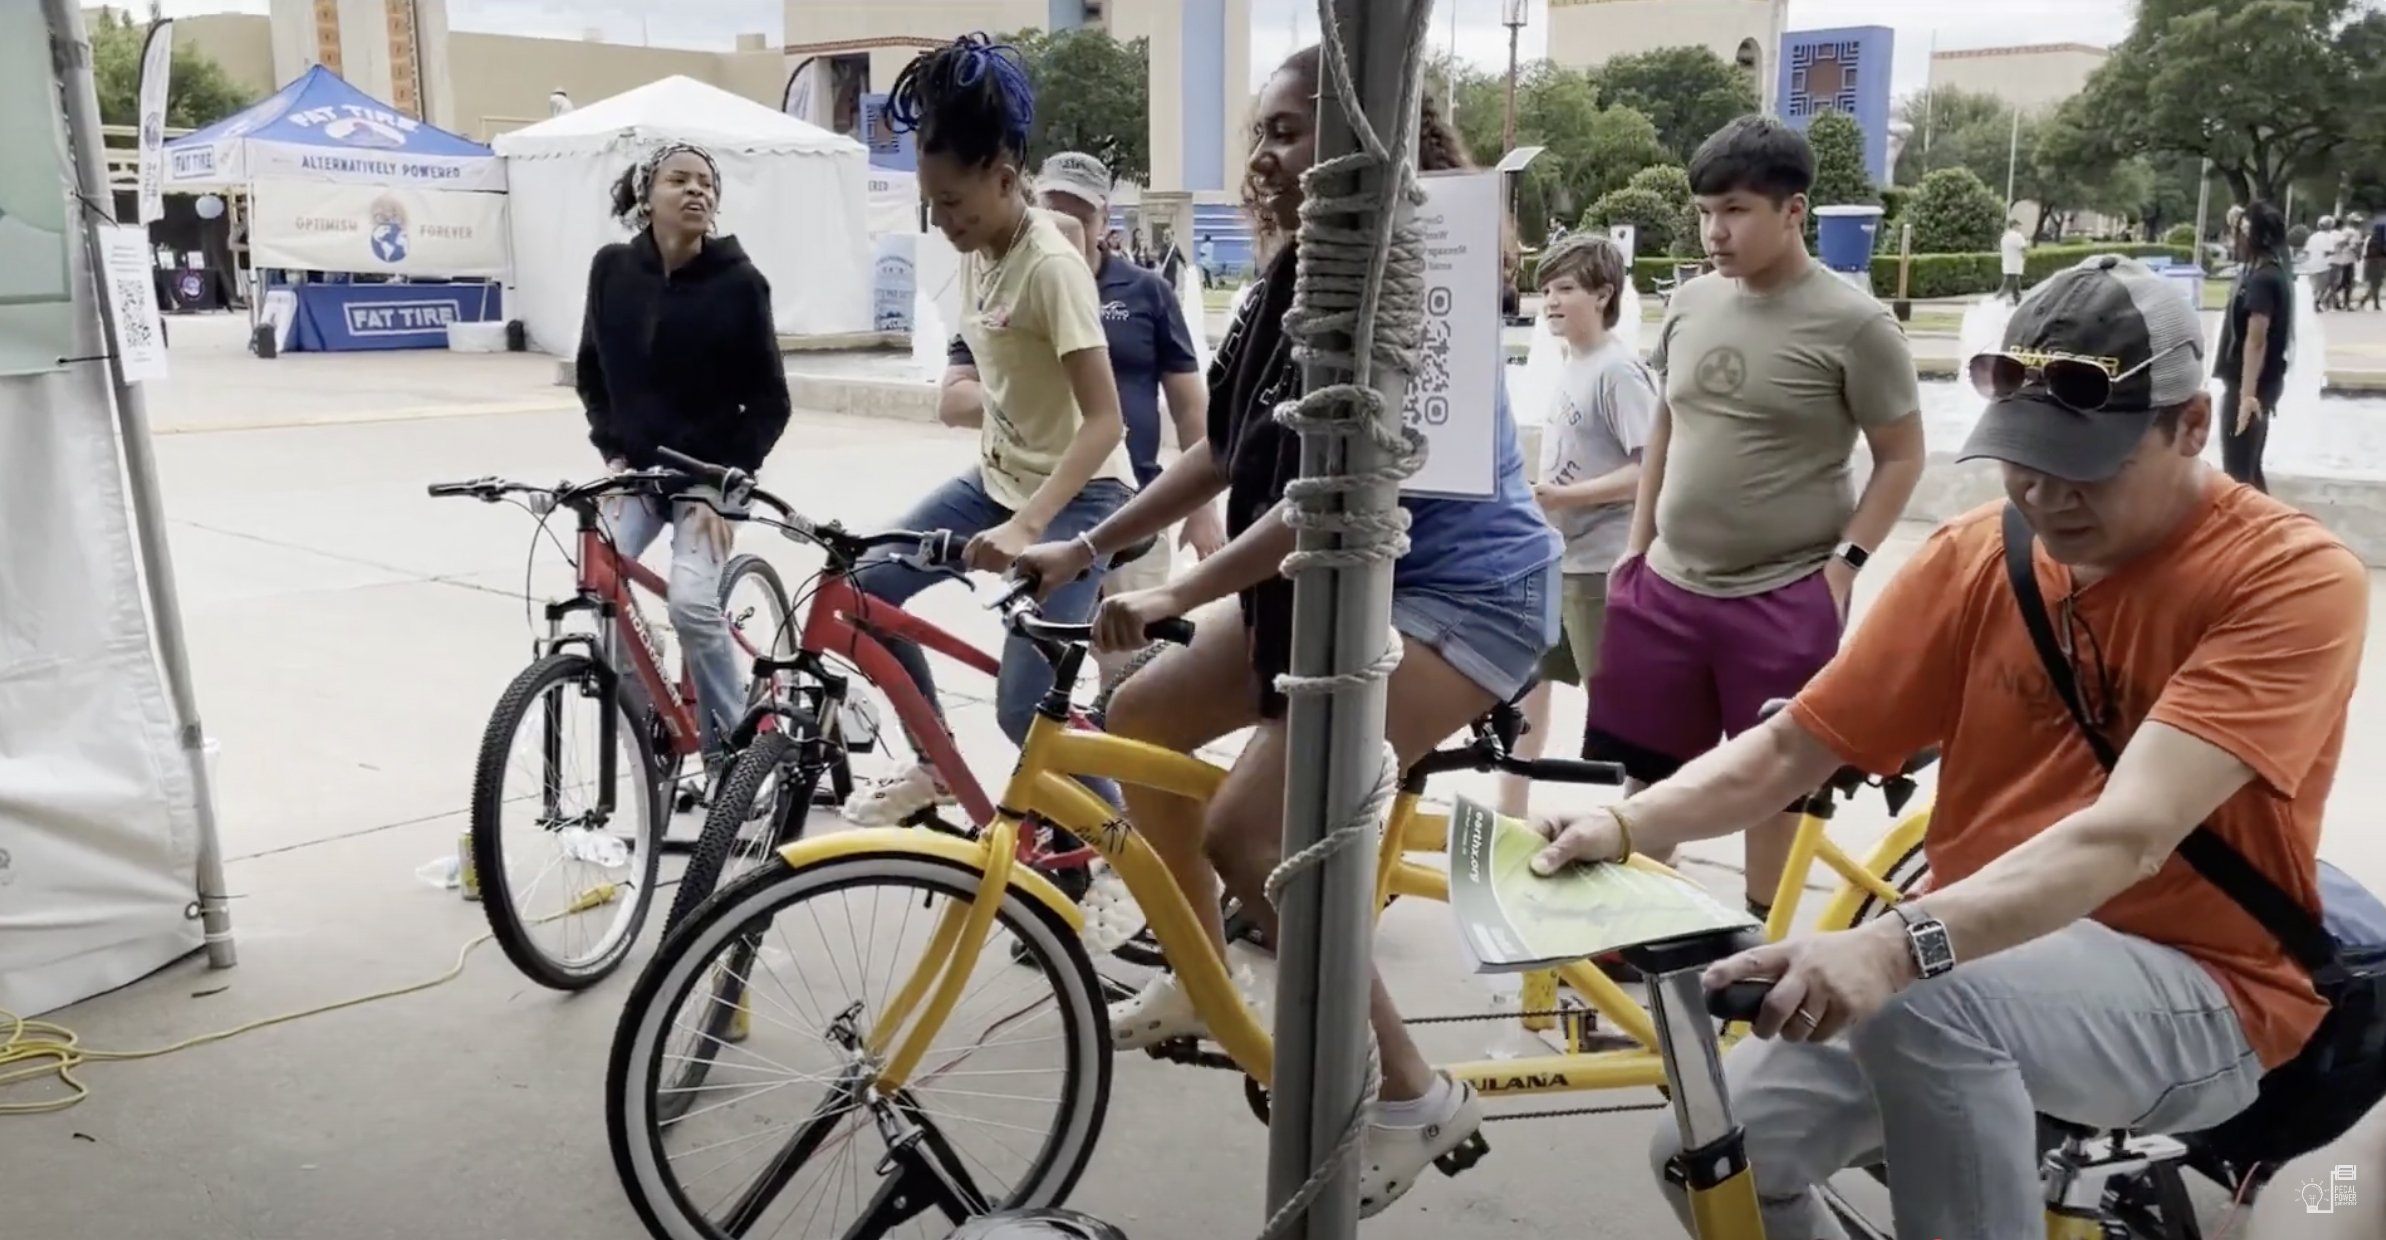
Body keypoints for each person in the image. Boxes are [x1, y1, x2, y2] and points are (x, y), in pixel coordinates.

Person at [1536, 254, 2366, 1240]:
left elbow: (2128, 833)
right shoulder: (1980, 551)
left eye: (2083, 466)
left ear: (2190, 426)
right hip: (1980, 956)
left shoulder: (2288, 578)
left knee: (1921, 997)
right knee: (1706, 1150)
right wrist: (1625, 820)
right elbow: (1795, 743)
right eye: (2023, 458)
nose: (2045, 495)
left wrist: (1894, 944)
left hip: (2201, 984)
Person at [1009, 43, 1562, 1216]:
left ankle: (1415, 1094)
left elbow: (1338, 495)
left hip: (1462, 594)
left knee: (1250, 828)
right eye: (1260, 129)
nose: (1266, 151)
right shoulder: (1293, 269)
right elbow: (1223, 451)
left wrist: (1174, 594)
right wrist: (1088, 547)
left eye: (1292, 126)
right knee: (1141, 707)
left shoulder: (1407, 277)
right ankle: (1204, 971)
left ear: (1380, 139)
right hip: (1340, 578)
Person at [1580, 114, 1926, 918]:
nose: (1714, 231)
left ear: (1793, 211)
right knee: (1647, 770)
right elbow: (1667, 418)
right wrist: (1636, 550)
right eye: (1704, 211)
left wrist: (1845, 570)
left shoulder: (1855, 324)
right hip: (1665, 587)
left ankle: (1760, 946)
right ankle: (1637, 933)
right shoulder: (1693, 302)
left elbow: (1903, 456)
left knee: (1776, 786)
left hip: (1784, 590)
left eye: (1734, 210)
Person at [838, 35, 1136, 826]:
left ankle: (1114, 854)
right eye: (932, 206)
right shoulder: (979, 248)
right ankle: (936, 767)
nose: (943, 225)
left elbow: (1107, 423)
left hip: (1080, 498)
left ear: (1005, 180)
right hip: (997, 478)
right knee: (863, 593)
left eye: (957, 207)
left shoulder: (1051, 267)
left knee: (1021, 710)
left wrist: (1029, 524)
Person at [944, 150, 1224, 686]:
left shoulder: (1147, 291)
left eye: (1081, 214)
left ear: (1105, 222)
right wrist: (1015, 395)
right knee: (1044, 688)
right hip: (1046, 509)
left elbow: (1191, 406)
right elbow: (953, 400)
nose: (1066, 223)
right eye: (1053, 208)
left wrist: (1202, 507)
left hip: (1135, 510)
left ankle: (1130, 769)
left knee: (1132, 688)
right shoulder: (1009, 284)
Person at [576, 142, 791, 780]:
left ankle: (738, 757)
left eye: (706, 184)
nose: (696, 192)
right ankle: (657, 729)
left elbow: (772, 400)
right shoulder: (611, 270)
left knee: (693, 603)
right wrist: (612, 447)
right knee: (595, 587)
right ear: (649, 195)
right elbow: (592, 372)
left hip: (710, 475)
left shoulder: (741, 283)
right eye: (680, 180)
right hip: (638, 471)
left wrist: (730, 474)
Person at [1496, 232, 1657, 818]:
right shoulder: (1573, 365)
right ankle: (1508, 815)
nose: (1552, 303)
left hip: (1601, 570)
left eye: (1565, 289)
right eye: (1546, 292)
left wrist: (1562, 495)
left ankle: (1645, 830)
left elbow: (1649, 469)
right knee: (1527, 692)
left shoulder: (1618, 372)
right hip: (1559, 562)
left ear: (1603, 294)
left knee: (1619, 710)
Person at [2216, 201, 2293, 493]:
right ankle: (2270, 532)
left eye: (2239, 233)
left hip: (2249, 386)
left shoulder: (2262, 280)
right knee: (2249, 469)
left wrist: (2247, 396)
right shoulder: (2272, 272)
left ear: (2252, 236)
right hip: (2262, 384)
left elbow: (2256, 339)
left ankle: (2249, 534)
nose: (2234, 239)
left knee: (2237, 475)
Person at [1998, 217, 2028, 305]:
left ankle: (2018, 304)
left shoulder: (2005, 236)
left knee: (2016, 288)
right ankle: (1993, 302)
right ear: (2014, 226)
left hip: (2007, 265)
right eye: (2018, 226)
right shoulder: (2017, 236)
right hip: (2015, 265)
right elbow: (2023, 248)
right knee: (2006, 288)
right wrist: (2025, 257)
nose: (2020, 228)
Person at [2364, 215, 2385, 312]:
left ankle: (2367, 301)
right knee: (2376, 284)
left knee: (2375, 285)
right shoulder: (2379, 241)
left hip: (2371, 263)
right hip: (2377, 264)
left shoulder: (2370, 239)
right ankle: (2374, 303)